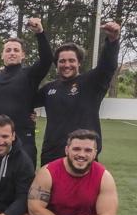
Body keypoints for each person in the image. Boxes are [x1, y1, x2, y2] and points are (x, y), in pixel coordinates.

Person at [36, 22, 120, 166]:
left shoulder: (91, 83)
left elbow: (107, 66)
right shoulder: (49, 88)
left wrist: (112, 41)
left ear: (79, 62)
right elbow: (24, 101)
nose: (66, 64)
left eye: (71, 60)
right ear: (57, 64)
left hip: (83, 156)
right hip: (51, 156)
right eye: (62, 61)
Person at [0, 17, 52, 166]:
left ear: (23, 55)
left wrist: (40, 33)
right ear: (2, 55)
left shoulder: (29, 74)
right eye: (8, 50)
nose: (12, 53)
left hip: (24, 139)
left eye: (16, 50)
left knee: (24, 182)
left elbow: (47, 59)